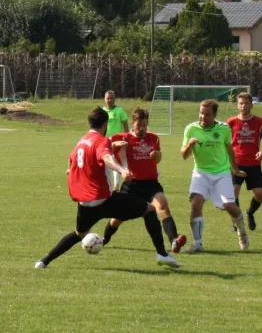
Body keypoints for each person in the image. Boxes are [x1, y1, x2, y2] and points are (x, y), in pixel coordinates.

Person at [34, 107, 180, 269]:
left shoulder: (82, 141)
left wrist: (71, 170)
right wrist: (121, 169)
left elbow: (72, 159)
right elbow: (106, 157)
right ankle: (162, 254)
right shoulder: (101, 141)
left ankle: (43, 261)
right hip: (104, 199)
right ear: (104, 124)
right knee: (150, 210)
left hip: (85, 204)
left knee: (79, 234)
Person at [102, 108, 187, 255]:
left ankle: (174, 240)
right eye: (139, 125)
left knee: (163, 207)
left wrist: (157, 154)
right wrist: (116, 145)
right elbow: (103, 147)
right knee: (118, 218)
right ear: (132, 122)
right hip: (132, 185)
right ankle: (104, 238)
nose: (142, 128)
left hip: (151, 183)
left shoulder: (153, 138)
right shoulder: (122, 137)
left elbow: (159, 159)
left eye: (145, 125)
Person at [180, 99, 250, 253]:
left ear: (215, 115)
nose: (203, 117)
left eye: (207, 114)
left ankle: (242, 232)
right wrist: (190, 145)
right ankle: (198, 244)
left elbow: (230, 150)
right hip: (201, 172)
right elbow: (184, 155)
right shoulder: (191, 129)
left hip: (221, 173)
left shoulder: (224, 129)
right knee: (196, 202)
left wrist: (235, 170)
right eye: (201, 113)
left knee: (229, 206)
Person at [226, 93, 262, 232]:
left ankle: (250, 213)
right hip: (236, 162)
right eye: (240, 103)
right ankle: (237, 222)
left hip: (254, 163)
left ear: (251, 104)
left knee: (259, 194)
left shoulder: (259, 122)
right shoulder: (231, 122)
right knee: (234, 192)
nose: (243, 106)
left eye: (246, 103)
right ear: (237, 105)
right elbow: (224, 141)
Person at [103, 90, 129, 192]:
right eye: (107, 98)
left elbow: (126, 127)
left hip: (117, 140)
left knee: (115, 161)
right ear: (104, 99)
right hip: (104, 140)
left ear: (115, 99)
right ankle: (106, 184)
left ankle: (116, 185)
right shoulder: (102, 112)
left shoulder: (120, 111)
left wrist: (127, 139)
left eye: (111, 98)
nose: (109, 100)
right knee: (105, 161)